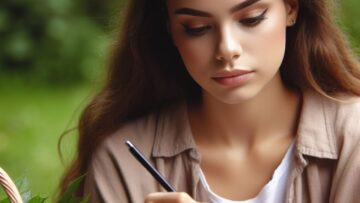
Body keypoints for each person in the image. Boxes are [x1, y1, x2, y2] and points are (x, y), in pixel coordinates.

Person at [58, 0, 360, 202]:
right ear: (170, 30)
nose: (227, 49)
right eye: (197, 28)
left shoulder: (354, 140)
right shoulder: (123, 161)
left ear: (291, 8)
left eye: (251, 19)